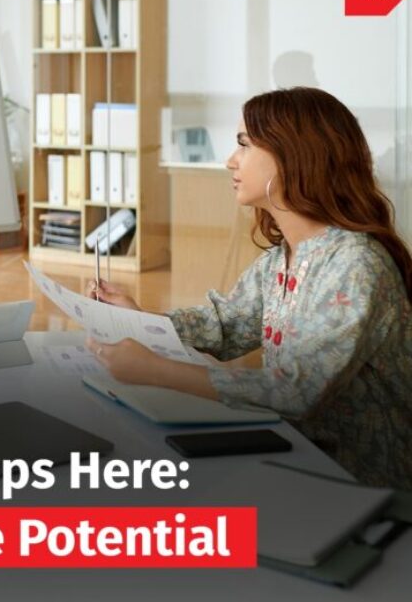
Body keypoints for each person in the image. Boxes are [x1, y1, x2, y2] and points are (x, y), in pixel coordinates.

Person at [86, 87, 412, 490]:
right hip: (300, 459)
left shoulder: (356, 265)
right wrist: (138, 318)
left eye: (244, 145)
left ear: (295, 156)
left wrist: (156, 371)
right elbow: (224, 325)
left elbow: (298, 390)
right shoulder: (281, 259)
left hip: (363, 486)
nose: (231, 160)